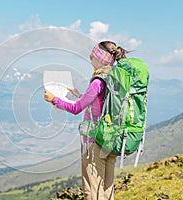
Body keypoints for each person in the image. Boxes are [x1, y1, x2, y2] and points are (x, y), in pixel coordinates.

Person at [44, 41, 128, 200]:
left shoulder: (98, 81)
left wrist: (54, 99)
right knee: (107, 190)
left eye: (92, 56)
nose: (90, 58)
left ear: (100, 58)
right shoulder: (116, 78)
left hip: (94, 141)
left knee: (92, 191)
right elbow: (99, 105)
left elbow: (76, 109)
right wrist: (77, 94)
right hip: (111, 139)